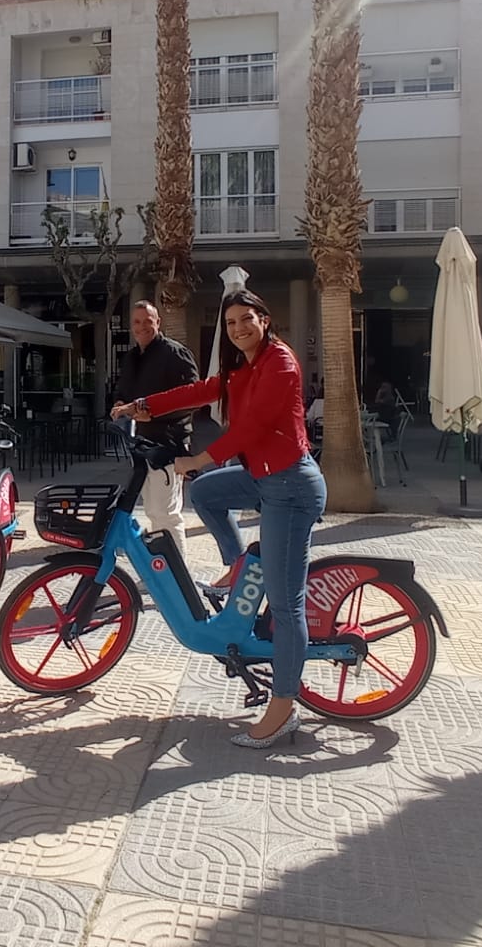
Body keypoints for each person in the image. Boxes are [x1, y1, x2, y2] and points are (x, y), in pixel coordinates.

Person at [112, 290, 325, 750]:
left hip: (290, 486)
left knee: (287, 606)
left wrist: (199, 459)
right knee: (208, 494)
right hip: (261, 476)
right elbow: (200, 391)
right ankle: (237, 564)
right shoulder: (241, 368)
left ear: (264, 320)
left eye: (246, 319)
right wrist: (142, 405)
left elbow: (255, 427)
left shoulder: (280, 363)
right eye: (229, 323)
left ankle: (284, 706)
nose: (238, 328)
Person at [112, 301, 199, 554]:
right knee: (152, 511)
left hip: (168, 446)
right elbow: (125, 391)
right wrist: (119, 403)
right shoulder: (131, 357)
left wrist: (156, 417)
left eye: (148, 321)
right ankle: (162, 570)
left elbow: (193, 398)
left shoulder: (174, 353)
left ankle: (177, 578)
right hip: (143, 445)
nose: (142, 327)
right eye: (137, 322)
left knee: (167, 514)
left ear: (158, 322)